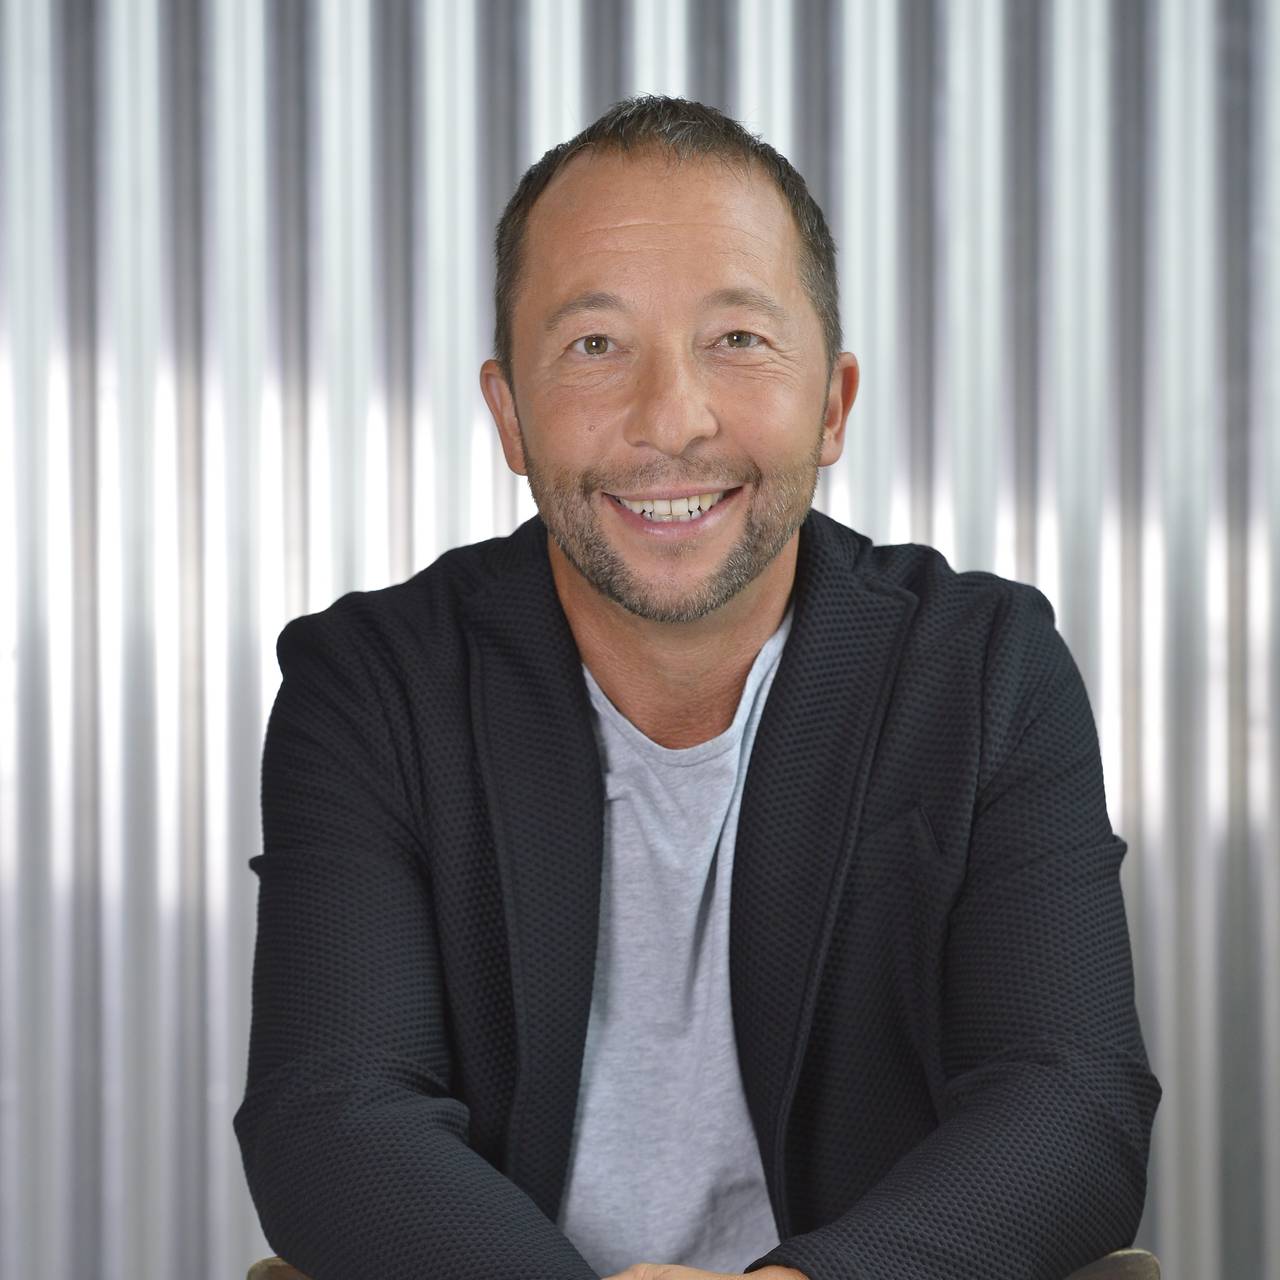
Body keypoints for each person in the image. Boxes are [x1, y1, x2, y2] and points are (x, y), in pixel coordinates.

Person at [234, 95, 1160, 1280]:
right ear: (508, 415)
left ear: (831, 403)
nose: (669, 419)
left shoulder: (982, 666)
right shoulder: (372, 684)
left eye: (735, 338)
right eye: (593, 345)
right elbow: (332, 1109)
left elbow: (1068, 1098)